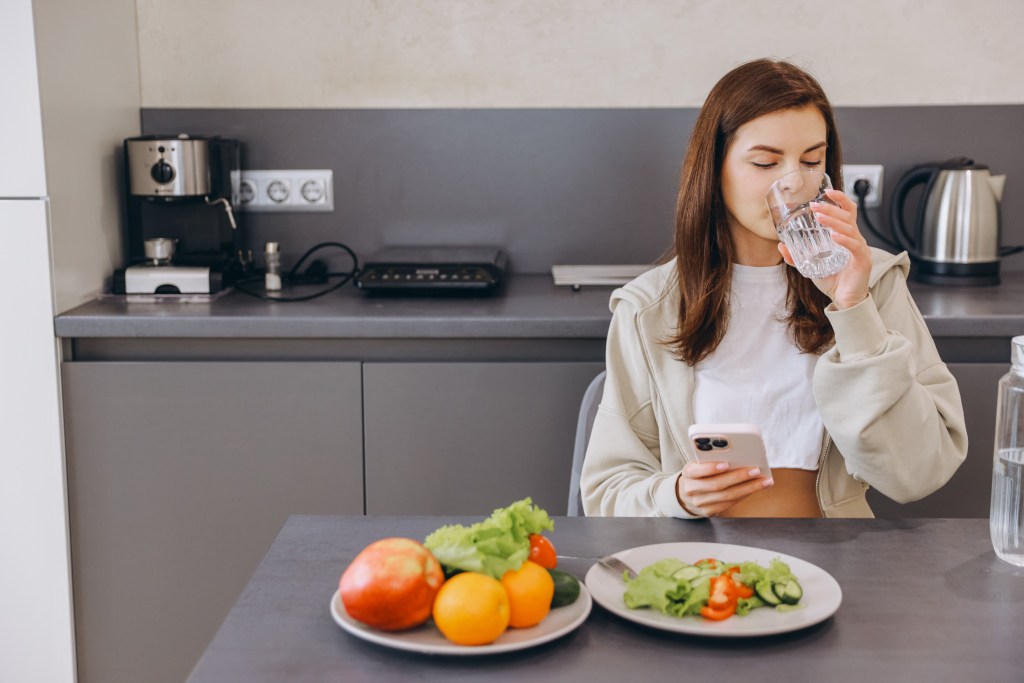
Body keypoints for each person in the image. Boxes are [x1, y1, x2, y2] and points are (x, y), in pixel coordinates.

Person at [580, 58, 967, 518]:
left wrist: (853, 308)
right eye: (765, 162)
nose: (795, 183)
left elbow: (921, 472)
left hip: (839, 567)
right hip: (703, 572)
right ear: (715, 167)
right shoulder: (649, 307)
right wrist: (678, 496)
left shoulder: (873, 283)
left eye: (812, 161)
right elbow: (606, 493)